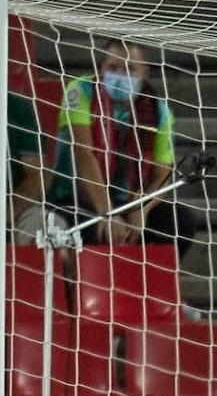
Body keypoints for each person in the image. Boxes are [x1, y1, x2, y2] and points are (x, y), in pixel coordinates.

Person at [48, 39, 195, 254]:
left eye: (130, 69)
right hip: (76, 199)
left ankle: (154, 285)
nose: (120, 75)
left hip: (127, 202)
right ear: (101, 69)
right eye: (113, 68)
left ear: (145, 72)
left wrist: (142, 208)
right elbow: (83, 154)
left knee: (179, 222)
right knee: (87, 230)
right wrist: (106, 214)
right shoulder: (80, 92)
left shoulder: (159, 111)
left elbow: (161, 176)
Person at [8, 88, 45, 243]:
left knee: (43, 223)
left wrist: (8, 215)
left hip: (11, 205)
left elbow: (34, 177)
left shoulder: (18, 107)